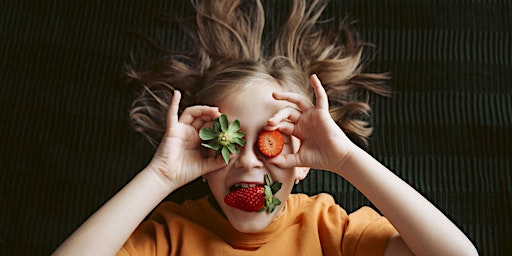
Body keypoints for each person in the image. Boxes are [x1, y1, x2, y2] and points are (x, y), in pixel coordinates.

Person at [54, 0, 478, 255]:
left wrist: (347, 159)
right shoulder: (171, 234)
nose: (248, 162)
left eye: (269, 142)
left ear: (304, 160)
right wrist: (159, 176)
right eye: (226, 143)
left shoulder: (329, 229)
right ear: (202, 153)